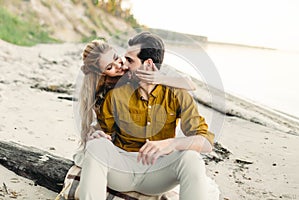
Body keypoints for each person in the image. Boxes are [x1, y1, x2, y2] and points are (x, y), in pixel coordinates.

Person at [79, 32, 215, 200]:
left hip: (157, 175)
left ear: (148, 64)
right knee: (96, 146)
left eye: (130, 60)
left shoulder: (177, 94)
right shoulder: (115, 94)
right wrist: (97, 134)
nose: (124, 65)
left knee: (191, 158)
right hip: (122, 169)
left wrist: (171, 144)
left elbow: (206, 143)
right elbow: (104, 132)